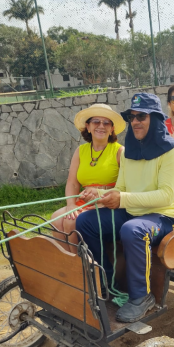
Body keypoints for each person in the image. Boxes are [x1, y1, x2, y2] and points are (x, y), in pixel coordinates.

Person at [76, 93, 174, 323]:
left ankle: (142, 297)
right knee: (85, 221)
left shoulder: (172, 151)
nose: (135, 121)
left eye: (141, 116)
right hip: (133, 212)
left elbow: (166, 196)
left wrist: (122, 199)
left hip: (164, 216)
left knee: (132, 230)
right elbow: (122, 187)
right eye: (131, 116)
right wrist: (99, 194)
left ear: (155, 119)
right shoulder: (130, 152)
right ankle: (106, 282)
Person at [51, 104, 125, 254]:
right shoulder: (81, 151)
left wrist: (100, 194)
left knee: (71, 220)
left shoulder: (119, 151)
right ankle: (69, 262)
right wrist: (71, 204)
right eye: (96, 122)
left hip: (106, 202)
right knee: (56, 218)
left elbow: (125, 186)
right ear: (88, 126)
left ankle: (79, 264)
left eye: (106, 123)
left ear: (112, 129)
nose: (101, 126)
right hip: (83, 200)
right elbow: (72, 182)